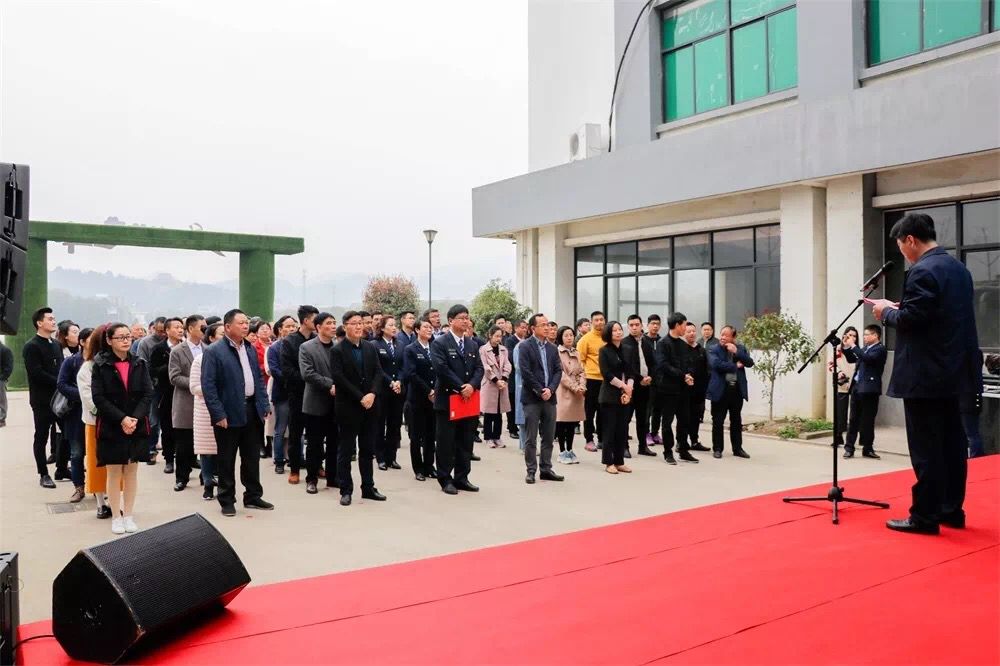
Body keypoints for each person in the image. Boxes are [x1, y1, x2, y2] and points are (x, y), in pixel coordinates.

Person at [872, 212, 980, 534]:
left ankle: (925, 516)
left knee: (926, 448)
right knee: (952, 444)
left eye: (901, 246)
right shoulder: (958, 269)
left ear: (910, 240)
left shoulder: (921, 271)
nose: (902, 253)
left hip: (925, 373)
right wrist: (901, 308)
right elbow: (937, 316)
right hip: (953, 371)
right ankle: (951, 510)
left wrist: (886, 312)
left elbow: (912, 320)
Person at [200, 309, 274, 517]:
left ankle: (253, 496)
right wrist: (218, 414)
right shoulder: (214, 351)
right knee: (226, 458)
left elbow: (257, 378)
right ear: (227, 327)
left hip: (251, 409)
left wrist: (263, 404)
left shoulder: (249, 348)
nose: (245, 326)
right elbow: (208, 386)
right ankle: (226, 499)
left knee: (251, 457)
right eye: (240, 323)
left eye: (246, 322)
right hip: (228, 412)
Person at [91, 323, 155, 534]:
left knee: (131, 471)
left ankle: (128, 515)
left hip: (136, 424)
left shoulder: (139, 363)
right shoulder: (100, 365)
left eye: (128, 336)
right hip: (112, 424)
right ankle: (116, 517)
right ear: (109, 340)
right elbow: (99, 397)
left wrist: (134, 418)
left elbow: (148, 393)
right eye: (120, 337)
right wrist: (122, 419)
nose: (126, 340)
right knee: (114, 471)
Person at [330, 311, 387, 506]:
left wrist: (372, 394)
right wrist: (360, 396)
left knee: (367, 449)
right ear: (345, 326)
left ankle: (368, 487)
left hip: (370, 406)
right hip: (348, 407)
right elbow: (339, 377)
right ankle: (346, 490)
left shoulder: (370, 347)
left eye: (360, 323)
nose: (358, 326)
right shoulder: (337, 350)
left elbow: (378, 372)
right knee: (346, 450)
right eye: (353, 323)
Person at [430, 304, 483, 495]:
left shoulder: (472, 344)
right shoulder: (440, 343)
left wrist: (472, 386)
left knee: (465, 441)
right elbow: (441, 369)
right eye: (462, 318)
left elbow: (479, 368)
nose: (466, 321)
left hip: (468, 400)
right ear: (451, 320)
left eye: (467, 317)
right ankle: (445, 479)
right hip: (448, 399)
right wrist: (461, 387)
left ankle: (462, 477)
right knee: (446, 442)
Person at [517, 313, 564, 484]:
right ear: (533, 328)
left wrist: (550, 389)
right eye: (543, 325)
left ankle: (546, 469)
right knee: (531, 437)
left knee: (549, 436)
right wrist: (540, 390)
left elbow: (558, 370)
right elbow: (525, 371)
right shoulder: (525, 346)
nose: (547, 328)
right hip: (532, 398)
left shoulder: (552, 348)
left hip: (549, 398)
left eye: (548, 324)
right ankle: (531, 470)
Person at [23, 307, 64, 488]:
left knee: (66, 434)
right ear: (39, 323)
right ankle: (43, 474)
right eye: (50, 319)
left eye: (54, 319)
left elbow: (61, 367)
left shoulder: (56, 344)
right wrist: (60, 382)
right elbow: (36, 373)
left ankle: (61, 468)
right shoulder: (31, 346)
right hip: (42, 400)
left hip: (60, 399)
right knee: (41, 437)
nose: (53, 322)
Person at [299, 312, 339, 494]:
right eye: (329, 323)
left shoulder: (339, 347)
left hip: (336, 404)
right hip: (315, 404)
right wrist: (330, 384)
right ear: (318, 327)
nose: (333, 326)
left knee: (334, 443)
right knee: (314, 445)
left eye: (334, 323)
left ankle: (333, 477)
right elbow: (307, 373)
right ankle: (311, 479)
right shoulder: (307, 347)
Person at [280, 305, 318, 484]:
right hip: (297, 394)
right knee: (296, 434)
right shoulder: (289, 342)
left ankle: (316, 466)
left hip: (316, 394)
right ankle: (294, 469)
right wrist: (308, 379)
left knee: (316, 434)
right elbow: (287, 370)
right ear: (306, 320)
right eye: (315, 319)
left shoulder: (317, 339)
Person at [77, 324, 112, 518]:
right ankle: (101, 503)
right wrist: (109, 412)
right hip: (96, 422)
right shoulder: (87, 368)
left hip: (118, 421)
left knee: (117, 465)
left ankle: (113, 500)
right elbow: (88, 398)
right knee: (97, 463)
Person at [168, 314, 205, 491]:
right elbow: (174, 377)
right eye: (201, 327)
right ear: (190, 329)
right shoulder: (177, 351)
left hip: (205, 403)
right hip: (186, 403)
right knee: (184, 444)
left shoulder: (208, 349)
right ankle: (181, 478)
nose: (205, 330)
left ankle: (206, 476)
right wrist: (196, 384)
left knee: (206, 443)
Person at [654, 312, 697, 465]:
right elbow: (663, 365)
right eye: (685, 325)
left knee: (684, 420)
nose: (686, 328)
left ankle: (683, 450)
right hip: (667, 388)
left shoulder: (683, 344)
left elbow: (688, 364)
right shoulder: (663, 343)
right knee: (667, 422)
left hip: (683, 389)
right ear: (677, 325)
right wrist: (682, 375)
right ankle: (668, 452)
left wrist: (689, 375)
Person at [706, 326, 755, 459]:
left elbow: (750, 363)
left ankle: (737, 448)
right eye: (721, 334)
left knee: (736, 421)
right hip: (720, 390)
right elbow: (716, 365)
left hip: (736, 390)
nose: (722, 337)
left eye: (726, 335)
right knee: (718, 421)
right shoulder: (713, 349)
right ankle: (717, 448)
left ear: (733, 337)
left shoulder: (740, 348)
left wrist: (736, 352)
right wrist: (735, 366)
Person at [56, 327, 92, 503]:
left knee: (97, 454)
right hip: (75, 414)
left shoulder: (101, 361)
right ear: (82, 342)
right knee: (76, 454)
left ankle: (99, 487)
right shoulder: (71, 362)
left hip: (96, 414)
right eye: (91, 339)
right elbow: (61, 384)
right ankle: (79, 487)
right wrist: (83, 395)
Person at [842, 324, 887, 460]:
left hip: (869, 389)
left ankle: (867, 448)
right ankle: (849, 448)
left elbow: (868, 359)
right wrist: (846, 347)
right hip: (857, 386)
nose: (864, 337)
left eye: (867, 334)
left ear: (875, 335)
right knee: (853, 419)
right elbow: (852, 358)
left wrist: (853, 345)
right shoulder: (864, 349)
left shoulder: (880, 349)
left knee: (867, 420)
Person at [191, 322, 224, 500]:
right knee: (206, 451)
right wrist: (215, 390)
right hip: (205, 410)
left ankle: (222, 484)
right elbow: (194, 387)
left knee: (224, 449)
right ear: (211, 338)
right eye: (221, 334)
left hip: (226, 408)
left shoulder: (231, 357)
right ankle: (208, 483)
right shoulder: (200, 360)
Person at [402, 319, 437, 481]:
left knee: (431, 435)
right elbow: (411, 373)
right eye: (426, 327)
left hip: (434, 398)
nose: (429, 330)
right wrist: (429, 390)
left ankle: (429, 466)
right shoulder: (410, 349)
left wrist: (436, 390)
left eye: (431, 327)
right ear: (417, 330)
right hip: (417, 398)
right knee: (416, 436)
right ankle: (418, 469)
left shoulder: (435, 347)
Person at [149, 316, 184, 473]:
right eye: (176, 327)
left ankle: (188, 459)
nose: (180, 330)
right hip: (166, 393)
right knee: (167, 427)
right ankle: (169, 459)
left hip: (184, 392)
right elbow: (152, 370)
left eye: (181, 327)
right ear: (167, 330)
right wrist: (170, 364)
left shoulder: (186, 346)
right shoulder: (159, 348)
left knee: (185, 429)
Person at [598, 321, 633, 474]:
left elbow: (631, 371)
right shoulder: (604, 351)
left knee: (622, 429)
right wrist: (623, 386)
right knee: (609, 430)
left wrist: (629, 387)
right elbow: (606, 373)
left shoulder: (627, 349)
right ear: (608, 333)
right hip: (609, 395)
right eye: (614, 330)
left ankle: (619, 461)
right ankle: (608, 462)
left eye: (619, 329)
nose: (618, 332)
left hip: (625, 394)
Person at [373, 315, 405, 471]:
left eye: (395, 325)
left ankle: (391, 457)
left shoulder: (400, 345)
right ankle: (380, 458)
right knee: (379, 424)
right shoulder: (374, 345)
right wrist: (391, 382)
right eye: (390, 325)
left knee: (395, 424)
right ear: (382, 328)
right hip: (382, 390)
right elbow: (377, 368)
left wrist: (399, 381)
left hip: (397, 390)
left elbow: (403, 366)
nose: (394, 328)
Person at [622, 314, 656, 457]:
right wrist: (640, 379)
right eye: (631, 325)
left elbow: (653, 362)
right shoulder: (625, 343)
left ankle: (643, 446)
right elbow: (627, 366)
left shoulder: (647, 342)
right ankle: (624, 447)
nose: (634, 327)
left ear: (642, 326)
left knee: (643, 418)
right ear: (628, 327)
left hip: (646, 386)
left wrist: (650, 377)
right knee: (626, 418)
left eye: (637, 325)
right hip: (630, 386)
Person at [266, 315, 297, 474]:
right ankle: (279, 460)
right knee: (280, 428)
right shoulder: (274, 348)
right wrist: (292, 380)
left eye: (293, 326)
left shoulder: (300, 345)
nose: (291, 329)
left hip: (297, 393)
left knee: (297, 429)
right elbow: (274, 370)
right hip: (283, 393)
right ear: (280, 329)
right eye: (288, 326)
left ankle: (296, 458)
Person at [135, 316, 166, 464]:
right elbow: (142, 364)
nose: (161, 334)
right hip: (152, 386)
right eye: (158, 331)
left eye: (164, 331)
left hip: (169, 387)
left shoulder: (176, 342)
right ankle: (151, 449)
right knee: (153, 420)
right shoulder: (145, 343)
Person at [577, 311, 606, 452]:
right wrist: (582, 381)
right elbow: (579, 361)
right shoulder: (585, 339)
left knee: (603, 411)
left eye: (601, 319)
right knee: (589, 411)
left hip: (606, 379)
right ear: (591, 322)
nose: (599, 322)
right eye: (596, 320)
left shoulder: (608, 337)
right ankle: (589, 439)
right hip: (591, 379)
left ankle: (601, 439)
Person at [555, 325, 585, 464]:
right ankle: (562, 451)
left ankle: (570, 449)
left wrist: (582, 385)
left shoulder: (576, 352)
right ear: (561, 337)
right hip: (563, 390)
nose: (569, 338)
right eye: (566, 335)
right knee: (562, 422)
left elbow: (582, 371)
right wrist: (574, 386)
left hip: (577, 391)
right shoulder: (557, 352)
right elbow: (560, 374)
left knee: (573, 422)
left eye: (571, 335)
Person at [479, 325, 511, 448]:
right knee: (489, 412)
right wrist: (496, 380)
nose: (498, 339)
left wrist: (503, 379)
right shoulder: (483, 349)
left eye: (500, 336)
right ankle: (488, 437)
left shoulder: (503, 349)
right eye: (496, 336)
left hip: (502, 384)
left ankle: (497, 437)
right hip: (490, 384)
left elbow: (507, 365)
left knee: (499, 412)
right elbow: (485, 367)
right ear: (490, 335)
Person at [828, 326, 859, 447]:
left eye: (854, 336)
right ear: (844, 336)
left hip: (855, 383)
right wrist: (839, 372)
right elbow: (831, 364)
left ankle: (858, 438)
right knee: (840, 411)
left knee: (856, 412)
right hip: (843, 382)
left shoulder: (857, 350)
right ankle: (838, 436)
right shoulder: (838, 349)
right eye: (850, 335)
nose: (852, 337)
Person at [684, 322, 711, 452]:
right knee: (684, 417)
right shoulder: (681, 350)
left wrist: (705, 387)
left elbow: (707, 369)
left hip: (699, 390)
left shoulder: (701, 350)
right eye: (688, 331)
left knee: (696, 417)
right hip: (684, 390)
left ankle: (694, 441)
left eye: (693, 331)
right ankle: (682, 442)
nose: (692, 334)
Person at [251, 319, 275, 459]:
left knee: (272, 417)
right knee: (260, 417)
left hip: (272, 385)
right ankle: (260, 445)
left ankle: (270, 445)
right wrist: (266, 368)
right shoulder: (253, 347)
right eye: (262, 329)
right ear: (257, 333)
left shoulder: (274, 345)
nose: (265, 331)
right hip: (260, 384)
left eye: (267, 328)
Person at [503, 319, 529, 438]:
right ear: (516, 328)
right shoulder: (510, 341)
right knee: (512, 403)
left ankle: (521, 425)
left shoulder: (527, 341)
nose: (524, 330)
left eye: (525, 327)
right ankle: (512, 428)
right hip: (514, 376)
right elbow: (510, 357)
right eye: (522, 327)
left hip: (525, 377)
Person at [645, 314, 663, 447]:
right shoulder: (643, 340)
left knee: (658, 409)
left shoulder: (662, 342)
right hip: (647, 381)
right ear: (648, 325)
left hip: (661, 380)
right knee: (647, 409)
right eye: (653, 323)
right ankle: (646, 433)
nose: (655, 326)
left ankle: (655, 432)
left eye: (657, 324)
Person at [0, 338, 12, 427]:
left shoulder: (5, 350)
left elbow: (8, 367)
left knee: (1, 400)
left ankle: (1, 419)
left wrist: (2, 378)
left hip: (0, 380)